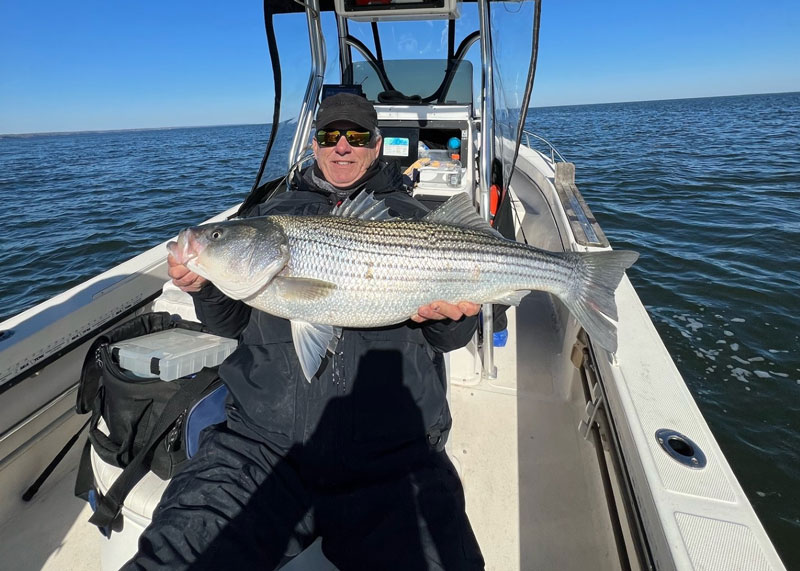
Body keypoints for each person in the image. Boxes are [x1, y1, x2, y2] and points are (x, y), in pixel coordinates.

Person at [126, 93, 485, 570]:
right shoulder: (267, 214)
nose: (342, 147)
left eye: (355, 136)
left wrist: (453, 317)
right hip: (260, 448)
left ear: (376, 146)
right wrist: (207, 286)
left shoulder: (412, 218)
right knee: (174, 560)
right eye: (328, 136)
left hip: (395, 456)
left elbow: (450, 340)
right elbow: (228, 323)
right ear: (314, 145)